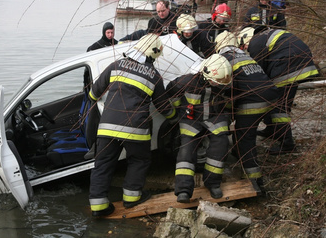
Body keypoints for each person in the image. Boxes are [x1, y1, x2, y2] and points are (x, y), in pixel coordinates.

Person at [88, 34, 176, 217]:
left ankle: (98, 206)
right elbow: (163, 107)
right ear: (153, 55)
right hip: (136, 128)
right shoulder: (154, 76)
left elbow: (94, 93)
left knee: (103, 163)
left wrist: (93, 101)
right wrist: (175, 114)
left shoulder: (116, 65)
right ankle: (131, 198)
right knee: (139, 160)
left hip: (107, 127)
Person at [238, 27, 319, 155]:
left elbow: (259, 71)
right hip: (300, 63)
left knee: (279, 107)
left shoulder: (255, 42)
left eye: (244, 47)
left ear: (245, 39)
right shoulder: (266, 35)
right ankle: (271, 130)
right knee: (278, 100)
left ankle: (287, 144)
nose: (246, 49)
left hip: (288, 66)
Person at [215, 31, 279, 188]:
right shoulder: (244, 55)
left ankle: (254, 180)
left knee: (246, 139)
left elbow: (230, 90)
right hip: (270, 96)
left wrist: (226, 111)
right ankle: (238, 153)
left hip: (253, 101)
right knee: (244, 129)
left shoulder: (224, 59)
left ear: (218, 45)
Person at [166, 54, 233, 203]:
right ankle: (183, 190)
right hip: (191, 119)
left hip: (215, 116)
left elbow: (230, 98)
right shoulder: (187, 81)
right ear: (205, 74)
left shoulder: (223, 81)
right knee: (186, 150)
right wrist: (178, 111)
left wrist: (228, 114)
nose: (219, 85)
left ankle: (213, 183)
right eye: (216, 82)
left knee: (221, 145)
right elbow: (170, 91)